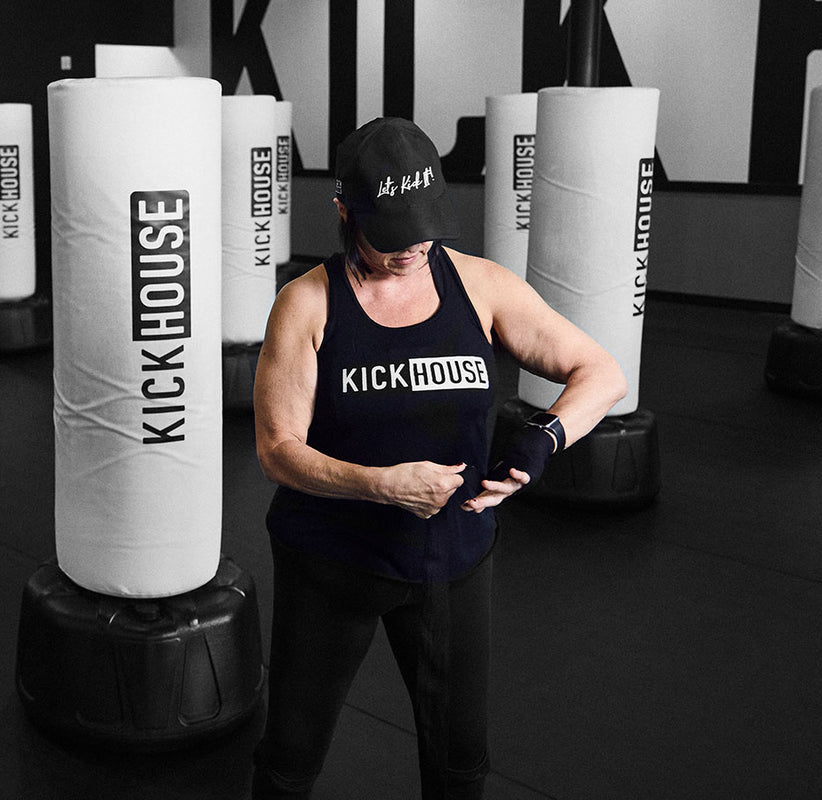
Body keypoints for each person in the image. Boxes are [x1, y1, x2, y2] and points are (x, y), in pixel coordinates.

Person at [249, 116, 628, 799]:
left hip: (452, 561)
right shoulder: (306, 304)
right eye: (391, 235)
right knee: (289, 757)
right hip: (330, 561)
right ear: (344, 212)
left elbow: (599, 372)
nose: (410, 249)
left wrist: (545, 437)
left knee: (459, 762)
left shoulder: (480, 286)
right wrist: (378, 485)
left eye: (423, 229)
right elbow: (277, 451)